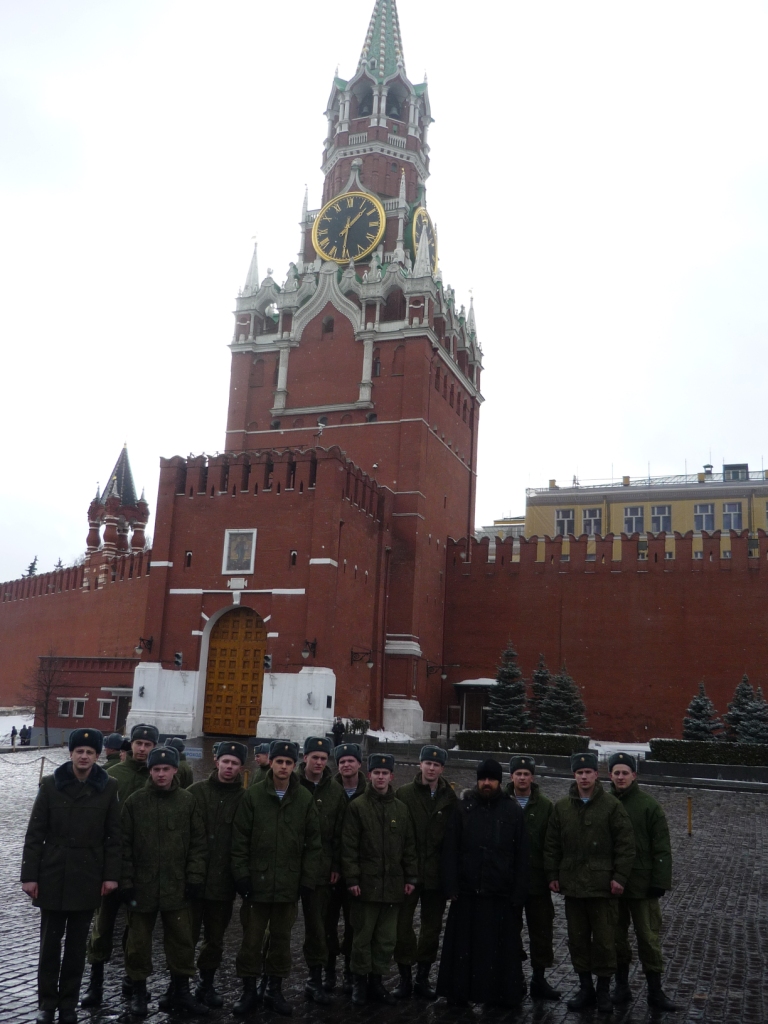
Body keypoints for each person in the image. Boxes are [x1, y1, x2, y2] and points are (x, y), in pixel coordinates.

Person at [21, 728, 121, 1024]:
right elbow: (34, 833)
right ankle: (47, 1003)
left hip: (87, 874)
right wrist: (30, 876)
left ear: (98, 756)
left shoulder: (109, 787)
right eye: (80, 751)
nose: (85, 756)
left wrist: (110, 876)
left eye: (91, 752)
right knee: (50, 946)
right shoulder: (51, 785)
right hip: (52, 873)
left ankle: (68, 1004)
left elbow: (114, 837)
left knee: (77, 947)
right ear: (71, 754)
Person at [231, 739, 321, 1017]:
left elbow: (313, 843)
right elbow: (240, 840)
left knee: (281, 940)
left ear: (295, 766)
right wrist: (242, 876)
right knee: (252, 940)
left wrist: (306, 880)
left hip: (288, 884)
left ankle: (274, 989)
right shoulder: (253, 795)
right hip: (256, 884)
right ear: (271, 762)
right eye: (279, 761)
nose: (283, 767)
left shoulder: (304, 798)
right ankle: (249, 991)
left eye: (288, 762)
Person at [544, 751, 636, 1014]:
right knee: (578, 940)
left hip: (603, 888)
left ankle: (604, 991)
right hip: (572, 887)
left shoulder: (611, 806)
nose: (584, 777)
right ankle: (585, 988)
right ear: (574, 775)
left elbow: (625, 845)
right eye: (579, 772)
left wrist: (619, 877)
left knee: (606, 941)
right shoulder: (561, 807)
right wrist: (552, 875)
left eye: (588, 772)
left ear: (596, 775)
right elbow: (551, 845)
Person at [120, 744, 208, 1016]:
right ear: (150, 771)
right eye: (156, 769)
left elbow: (198, 844)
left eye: (166, 769)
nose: (161, 774)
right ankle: (138, 993)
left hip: (177, 886)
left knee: (181, 942)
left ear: (174, 770)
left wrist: (194, 877)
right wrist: (126, 881)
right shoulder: (135, 802)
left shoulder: (187, 801)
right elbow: (123, 846)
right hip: (142, 887)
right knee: (138, 944)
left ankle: (181, 992)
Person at [437, 758, 529, 1009]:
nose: (486, 783)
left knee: (496, 951)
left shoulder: (512, 811)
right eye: (482, 778)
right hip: (468, 892)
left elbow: (522, 854)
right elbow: (451, 849)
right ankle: (459, 993)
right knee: (463, 949)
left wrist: (518, 892)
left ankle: (497, 994)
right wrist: (451, 885)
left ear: (500, 781)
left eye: (491, 779)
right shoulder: (463, 809)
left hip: (499, 893)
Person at [81, 723, 159, 1007]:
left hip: (143, 868)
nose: (142, 749)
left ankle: (135, 982)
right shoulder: (111, 775)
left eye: (148, 745)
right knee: (102, 926)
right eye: (138, 743)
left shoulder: (158, 777)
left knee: (138, 931)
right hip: (111, 863)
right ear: (131, 746)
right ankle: (95, 983)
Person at [341, 752, 418, 1006]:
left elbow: (408, 847)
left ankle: (377, 981)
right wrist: (352, 879)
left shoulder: (401, 809)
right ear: (370, 775)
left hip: (393, 886)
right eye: (377, 773)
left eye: (385, 773)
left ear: (391, 776)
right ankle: (359, 984)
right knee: (362, 937)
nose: (381, 777)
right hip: (366, 886)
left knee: (386, 939)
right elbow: (349, 847)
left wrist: (410, 877)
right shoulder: (358, 807)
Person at [608, 752, 677, 1012]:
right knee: (616, 938)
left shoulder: (649, 806)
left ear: (634, 775)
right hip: (613, 884)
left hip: (643, 886)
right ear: (610, 775)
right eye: (617, 773)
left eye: (626, 772)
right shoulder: (604, 803)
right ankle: (621, 986)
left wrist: (659, 881)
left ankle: (655, 991)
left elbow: (662, 847)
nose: (621, 777)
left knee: (648, 938)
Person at [392, 744, 457, 1000]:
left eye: (436, 765)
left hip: (436, 876)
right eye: (427, 763)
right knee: (402, 926)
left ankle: (423, 977)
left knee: (431, 929)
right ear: (420, 765)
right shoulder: (404, 794)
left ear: (442, 768)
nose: (431, 768)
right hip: (409, 873)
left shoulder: (449, 798)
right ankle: (404, 976)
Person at [188, 740, 248, 1007]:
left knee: (215, 939)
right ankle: (178, 985)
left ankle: (207, 984)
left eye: (234, 763)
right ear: (216, 761)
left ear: (241, 768)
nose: (229, 767)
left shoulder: (246, 800)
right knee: (184, 937)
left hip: (223, 883)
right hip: (193, 881)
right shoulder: (195, 793)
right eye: (225, 761)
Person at [506, 754, 560, 1000]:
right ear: (511, 776)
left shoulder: (546, 806)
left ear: (533, 777)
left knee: (541, 931)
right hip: (508, 882)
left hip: (537, 881)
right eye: (518, 774)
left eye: (526, 774)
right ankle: (513, 976)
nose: (522, 778)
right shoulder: (501, 802)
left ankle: (539, 978)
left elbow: (551, 844)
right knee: (509, 930)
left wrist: (552, 875)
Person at [296, 736, 346, 1005]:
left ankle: (317, 977)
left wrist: (336, 864)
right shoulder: (291, 784)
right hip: (290, 866)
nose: (318, 762)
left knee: (320, 925)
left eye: (323, 758)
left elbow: (340, 832)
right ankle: (268, 980)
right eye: (314, 757)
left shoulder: (334, 791)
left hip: (322, 870)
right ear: (304, 758)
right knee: (274, 926)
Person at [324, 742, 367, 994]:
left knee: (354, 924)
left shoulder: (369, 792)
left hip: (357, 873)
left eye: (351, 761)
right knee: (327, 922)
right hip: (331, 871)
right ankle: (329, 968)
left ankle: (351, 969)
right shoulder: (329, 791)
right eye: (342, 762)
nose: (346, 765)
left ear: (359, 764)